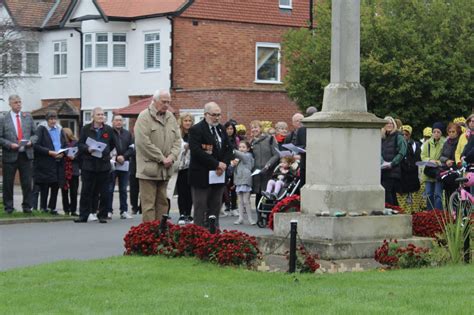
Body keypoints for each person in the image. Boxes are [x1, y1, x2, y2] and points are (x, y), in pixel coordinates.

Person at [134, 90, 181, 222]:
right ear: (154, 101)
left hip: (165, 170)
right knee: (148, 205)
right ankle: (150, 237)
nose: (166, 105)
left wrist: (171, 157)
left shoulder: (170, 117)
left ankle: (162, 234)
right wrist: (161, 158)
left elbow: (178, 141)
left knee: (163, 204)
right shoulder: (144, 117)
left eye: (168, 102)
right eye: (163, 102)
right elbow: (143, 142)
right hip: (148, 170)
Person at [188, 102, 233, 228]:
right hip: (201, 175)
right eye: (214, 115)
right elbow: (197, 152)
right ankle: (199, 234)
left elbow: (228, 148)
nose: (217, 118)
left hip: (218, 175)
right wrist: (216, 164)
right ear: (206, 114)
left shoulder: (221, 129)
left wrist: (223, 164)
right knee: (201, 207)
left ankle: (214, 233)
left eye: (219, 115)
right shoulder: (196, 129)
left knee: (215, 206)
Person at [74, 107, 116, 223]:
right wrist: (88, 149)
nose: (101, 116)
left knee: (104, 192)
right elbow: (80, 144)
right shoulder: (86, 129)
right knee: (86, 191)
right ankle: (83, 215)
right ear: (93, 116)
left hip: (103, 164)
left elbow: (112, 144)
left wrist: (105, 151)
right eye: (98, 114)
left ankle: (102, 215)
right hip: (89, 164)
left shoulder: (108, 129)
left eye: (102, 114)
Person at [0, 95, 36, 214]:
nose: (19, 104)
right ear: (10, 104)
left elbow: (35, 134)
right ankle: (9, 207)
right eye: (16, 102)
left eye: (20, 102)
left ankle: (27, 206)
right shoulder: (3, 119)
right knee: (8, 183)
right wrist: (10, 144)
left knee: (27, 182)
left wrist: (31, 141)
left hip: (26, 155)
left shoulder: (28, 117)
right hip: (10, 155)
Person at [33, 111, 67, 214]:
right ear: (47, 120)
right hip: (45, 162)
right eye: (50, 119)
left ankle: (52, 207)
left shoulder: (60, 129)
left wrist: (63, 153)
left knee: (56, 185)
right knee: (45, 186)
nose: (53, 121)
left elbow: (64, 144)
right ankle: (43, 207)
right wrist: (49, 152)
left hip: (58, 161)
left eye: (54, 119)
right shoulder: (41, 129)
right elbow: (36, 145)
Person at [106, 114, 134, 219]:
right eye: (116, 120)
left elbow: (132, 148)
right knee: (110, 189)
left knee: (123, 189)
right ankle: (109, 210)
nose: (118, 122)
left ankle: (124, 211)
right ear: (112, 122)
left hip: (124, 164)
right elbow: (107, 147)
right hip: (112, 164)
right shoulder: (108, 133)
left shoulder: (127, 134)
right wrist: (117, 157)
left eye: (120, 120)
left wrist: (124, 156)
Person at [250, 120, 280, 209]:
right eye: (252, 128)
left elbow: (276, 154)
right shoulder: (251, 142)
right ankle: (259, 217)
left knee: (267, 195)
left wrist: (268, 165)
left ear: (261, 128)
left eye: (256, 127)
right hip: (257, 173)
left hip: (268, 172)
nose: (253, 129)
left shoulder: (270, 139)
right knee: (258, 195)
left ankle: (268, 217)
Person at [380, 116, 407, 206]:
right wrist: (382, 161)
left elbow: (402, 152)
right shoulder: (382, 137)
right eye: (387, 123)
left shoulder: (398, 136)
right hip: (383, 169)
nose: (389, 125)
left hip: (393, 169)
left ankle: (391, 210)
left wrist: (392, 163)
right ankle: (396, 211)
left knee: (387, 191)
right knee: (390, 193)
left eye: (391, 123)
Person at [420, 122, 446, 210]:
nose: (436, 134)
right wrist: (429, 160)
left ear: (441, 133)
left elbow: (445, 157)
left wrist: (437, 162)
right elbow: (423, 156)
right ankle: (430, 214)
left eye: (438, 132)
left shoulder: (444, 143)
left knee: (438, 194)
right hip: (429, 172)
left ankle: (438, 213)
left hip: (439, 172)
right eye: (434, 131)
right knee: (428, 194)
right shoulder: (427, 143)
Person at [230, 141, 255, 225]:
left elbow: (242, 156)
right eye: (240, 147)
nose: (241, 149)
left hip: (245, 179)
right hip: (238, 180)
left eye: (243, 147)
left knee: (246, 201)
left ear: (248, 149)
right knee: (240, 201)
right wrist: (232, 163)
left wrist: (232, 150)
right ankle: (240, 218)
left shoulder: (248, 155)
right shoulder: (237, 158)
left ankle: (250, 218)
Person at [176, 112, 195, 224]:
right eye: (185, 120)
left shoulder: (194, 133)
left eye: (189, 121)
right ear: (181, 122)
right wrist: (185, 147)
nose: (188, 123)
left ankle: (188, 214)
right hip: (181, 166)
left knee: (190, 192)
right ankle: (182, 214)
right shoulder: (178, 134)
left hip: (192, 166)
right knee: (182, 192)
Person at [439, 123, 461, 203]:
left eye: (453, 131)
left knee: (455, 192)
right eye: (449, 131)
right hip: (447, 169)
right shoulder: (446, 143)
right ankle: (449, 212)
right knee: (447, 192)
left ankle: (456, 211)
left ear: (457, 132)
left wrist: (454, 161)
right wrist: (446, 160)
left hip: (457, 169)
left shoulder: (460, 141)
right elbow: (441, 156)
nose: (451, 133)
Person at [61, 127, 80, 216]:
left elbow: (80, 154)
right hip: (64, 169)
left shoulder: (76, 143)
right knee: (64, 191)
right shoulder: (61, 144)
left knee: (74, 191)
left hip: (74, 170)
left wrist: (75, 157)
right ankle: (66, 209)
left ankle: (73, 209)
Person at [223, 120, 239, 216]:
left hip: (234, 166)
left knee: (233, 187)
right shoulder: (222, 139)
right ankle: (226, 205)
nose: (230, 130)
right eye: (228, 128)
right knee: (225, 187)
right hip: (225, 165)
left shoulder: (236, 139)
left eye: (231, 129)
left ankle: (234, 207)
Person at [400, 125, 421, 198]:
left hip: (413, 175)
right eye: (403, 134)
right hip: (402, 175)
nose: (404, 136)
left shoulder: (415, 144)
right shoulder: (398, 144)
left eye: (407, 134)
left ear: (410, 135)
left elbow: (418, 158)